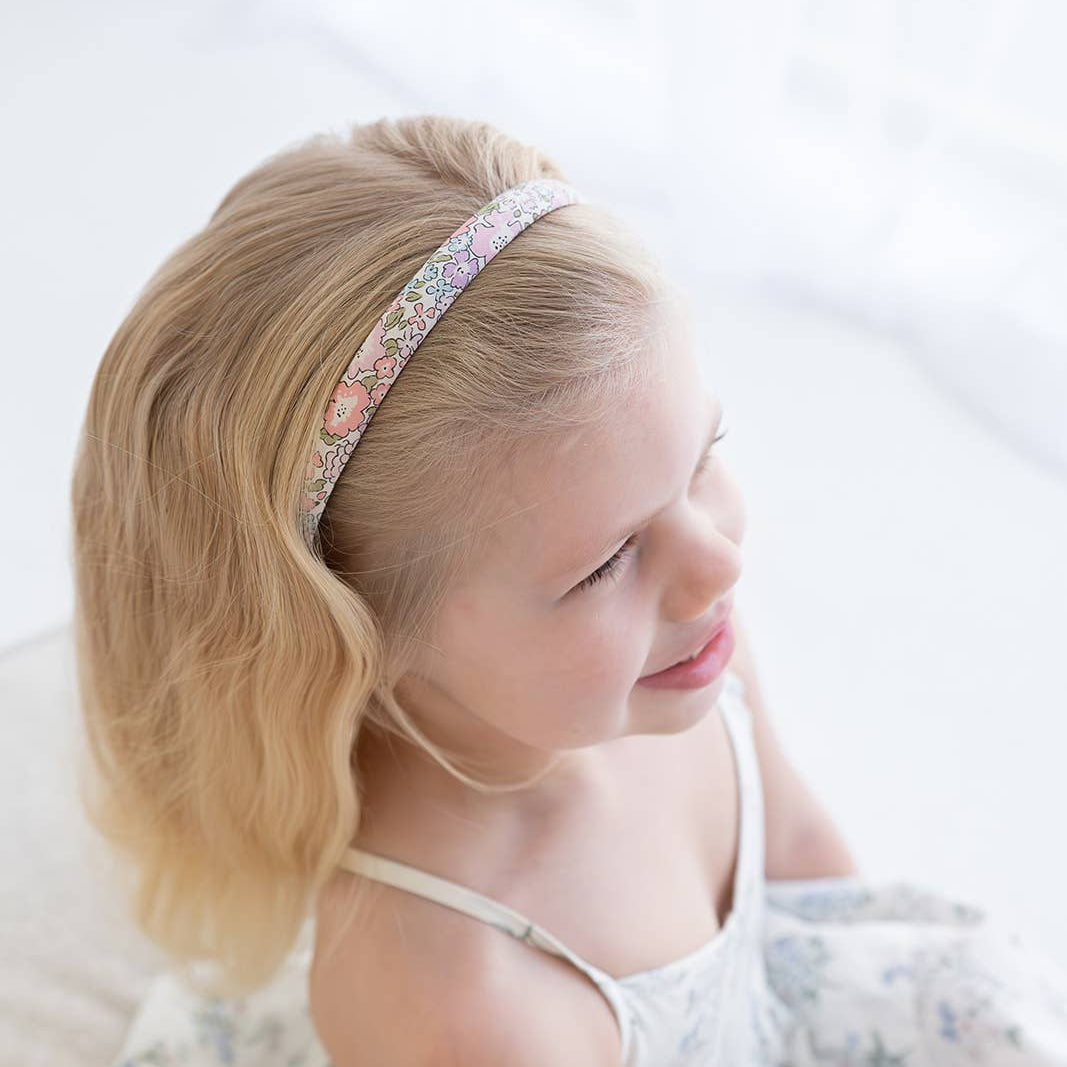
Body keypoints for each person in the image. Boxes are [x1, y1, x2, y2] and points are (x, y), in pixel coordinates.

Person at [75, 115, 1067, 1067]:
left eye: (701, 457)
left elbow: (805, 862)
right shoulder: (462, 1006)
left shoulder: (683, 635)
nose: (715, 562)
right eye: (604, 562)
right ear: (364, 630)